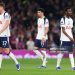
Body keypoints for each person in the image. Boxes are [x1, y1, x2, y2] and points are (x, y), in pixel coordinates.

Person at [0, 2, 20, 71]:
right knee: (0, 50)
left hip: (4, 35)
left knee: (6, 51)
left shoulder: (6, 14)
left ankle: (17, 63)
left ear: (2, 7)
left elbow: (7, 23)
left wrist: (1, 31)